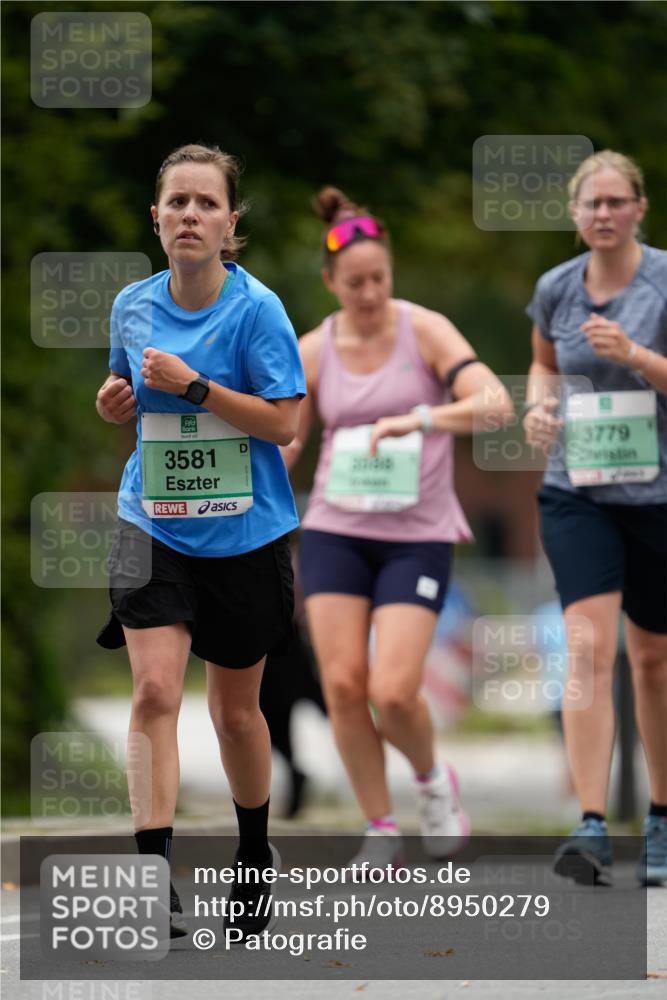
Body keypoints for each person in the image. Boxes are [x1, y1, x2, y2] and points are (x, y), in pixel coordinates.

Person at [95, 143, 306, 936]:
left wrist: (197, 386)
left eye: (205, 204)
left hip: (244, 532)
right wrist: (114, 401)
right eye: (176, 202)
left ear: (229, 225)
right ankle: (153, 871)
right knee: (153, 692)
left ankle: (253, 856)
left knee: (235, 714)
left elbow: (285, 423)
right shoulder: (131, 305)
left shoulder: (258, 310)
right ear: (155, 218)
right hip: (153, 521)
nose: (189, 215)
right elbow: (128, 395)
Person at [283, 187, 513, 870]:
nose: (368, 293)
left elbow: (494, 405)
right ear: (329, 282)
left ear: (392, 274)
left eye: (379, 279)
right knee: (344, 685)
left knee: (391, 689)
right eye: (353, 282)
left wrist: (420, 418)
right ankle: (380, 824)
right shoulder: (314, 348)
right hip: (335, 529)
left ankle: (431, 781)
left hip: (416, 533)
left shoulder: (425, 330)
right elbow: (284, 439)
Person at [522, 150, 667, 886]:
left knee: (651, 658)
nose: (603, 214)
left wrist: (639, 356)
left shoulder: (663, 281)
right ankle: (588, 825)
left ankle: (661, 819)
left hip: (657, 496)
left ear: (638, 208)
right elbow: (543, 363)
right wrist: (540, 405)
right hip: (576, 490)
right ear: (576, 217)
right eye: (591, 204)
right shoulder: (554, 288)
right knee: (586, 648)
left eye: (616, 201)